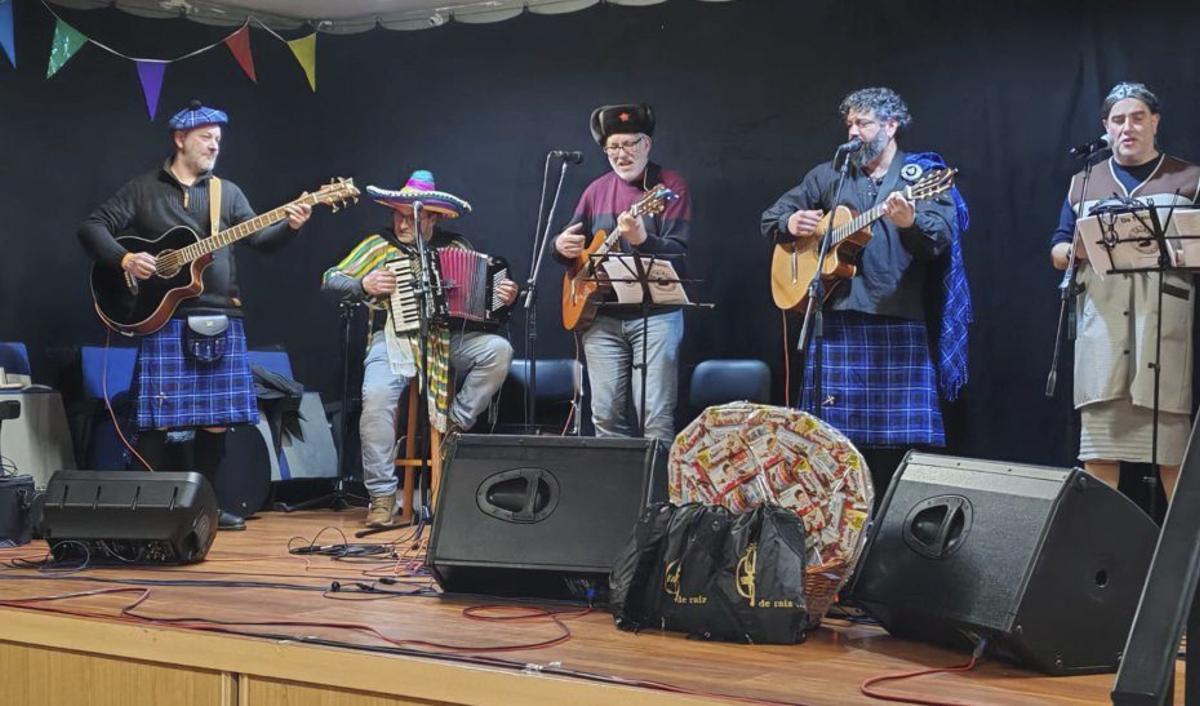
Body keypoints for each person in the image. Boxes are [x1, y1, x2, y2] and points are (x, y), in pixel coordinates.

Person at [77, 100, 312, 530]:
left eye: (218, 139)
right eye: (206, 137)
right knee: (157, 417)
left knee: (217, 419)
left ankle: (205, 503)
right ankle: (155, 503)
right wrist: (126, 259)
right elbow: (92, 228)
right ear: (179, 138)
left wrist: (291, 224)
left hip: (224, 316)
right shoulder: (143, 188)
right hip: (164, 316)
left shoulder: (229, 193)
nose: (214, 145)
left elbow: (261, 240)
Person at [760, 87, 971, 495]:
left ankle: (892, 524)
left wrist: (909, 221)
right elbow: (772, 216)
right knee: (831, 438)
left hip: (896, 313)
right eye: (850, 123)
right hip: (836, 316)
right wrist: (792, 223)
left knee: (903, 441)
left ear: (891, 126)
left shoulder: (921, 176)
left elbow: (941, 238)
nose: (854, 132)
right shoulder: (831, 175)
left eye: (864, 122)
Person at [322, 170, 517, 527]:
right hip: (393, 339)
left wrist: (503, 296)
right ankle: (382, 496)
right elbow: (331, 278)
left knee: (498, 350)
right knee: (376, 398)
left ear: (433, 218)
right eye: (396, 215)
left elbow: (483, 302)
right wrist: (364, 283)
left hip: (446, 339)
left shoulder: (456, 247)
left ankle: (454, 426)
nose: (400, 223)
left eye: (410, 216)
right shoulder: (378, 246)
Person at [1049, 82, 1199, 502]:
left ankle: (1186, 563)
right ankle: (1099, 555)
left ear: (1155, 122)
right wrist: (1074, 248)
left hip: (1161, 330)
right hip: (1103, 331)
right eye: (1118, 120)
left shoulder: (1189, 178)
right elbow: (1058, 249)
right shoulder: (1084, 181)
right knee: (1099, 455)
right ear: (1105, 127)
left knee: (1172, 455)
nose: (1127, 127)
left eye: (1137, 118)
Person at [552, 103, 691, 444]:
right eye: (613, 147)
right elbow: (571, 245)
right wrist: (560, 245)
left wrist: (643, 240)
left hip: (655, 315)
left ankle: (659, 496)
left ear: (647, 145)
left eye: (630, 144)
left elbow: (679, 252)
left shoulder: (669, 186)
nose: (622, 153)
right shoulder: (595, 190)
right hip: (600, 318)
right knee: (605, 416)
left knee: (654, 414)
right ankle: (617, 495)